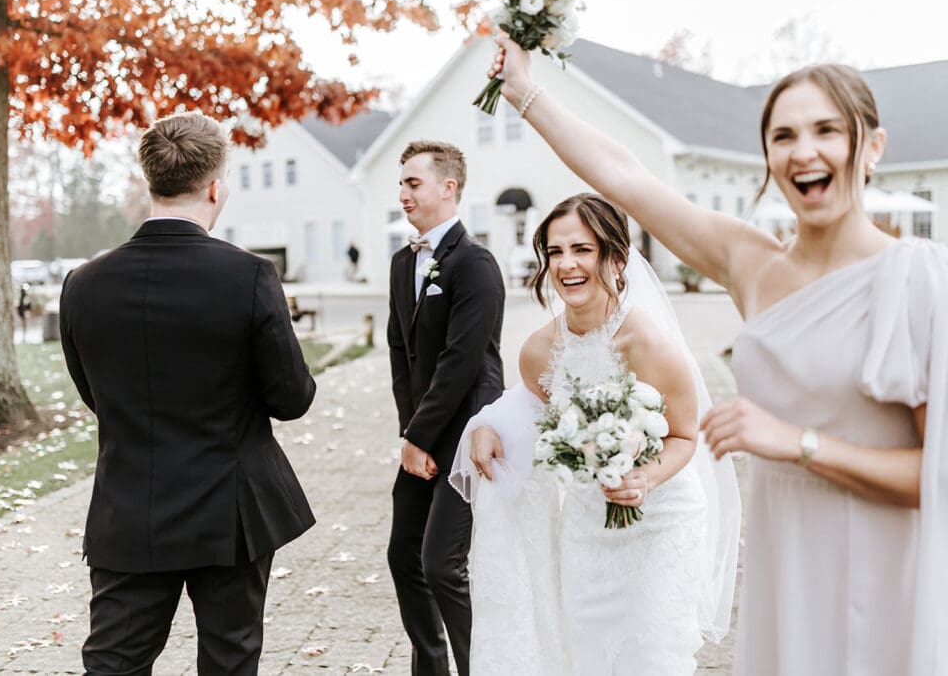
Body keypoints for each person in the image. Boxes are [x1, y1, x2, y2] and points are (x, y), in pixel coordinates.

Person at [489, 37, 948, 676]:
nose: (804, 150)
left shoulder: (916, 278)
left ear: (871, 147)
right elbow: (626, 177)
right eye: (783, 135)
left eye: (827, 130)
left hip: (878, 555)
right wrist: (524, 93)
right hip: (784, 551)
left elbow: (936, 476)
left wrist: (797, 442)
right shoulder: (752, 263)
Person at [59, 112, 317, 675]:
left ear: (148, 183)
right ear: (216, 186)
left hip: (130, 507)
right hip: (231, 510)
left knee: (113, 664)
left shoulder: (83, 284)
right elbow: (291, 398)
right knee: (230, 660)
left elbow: (94, 394)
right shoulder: (249, 276)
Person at [451, 193, 740, 674]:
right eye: (556, 252)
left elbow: (685, 436)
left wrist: (645, 478)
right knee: (587, 653)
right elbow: (530, 410)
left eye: (582, 250)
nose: (567, 265)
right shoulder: (539, 350)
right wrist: (484, 427)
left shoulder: (649, 343)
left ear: (616, 258)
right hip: (586, 525)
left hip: (661, 521)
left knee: (649, 657)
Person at [386, 140, 506, 676]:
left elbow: (462, 363)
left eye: (413, 183)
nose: (403, 193)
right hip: (423, 436)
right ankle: (429, 668)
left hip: (468, 434)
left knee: (442, 566)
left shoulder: (475, 264)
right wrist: (410, 434)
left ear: (447, 187)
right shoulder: (400, 263)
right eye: (402, 183)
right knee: (402, 557)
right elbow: (400, 353)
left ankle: (479, 666)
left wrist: (422, 436)